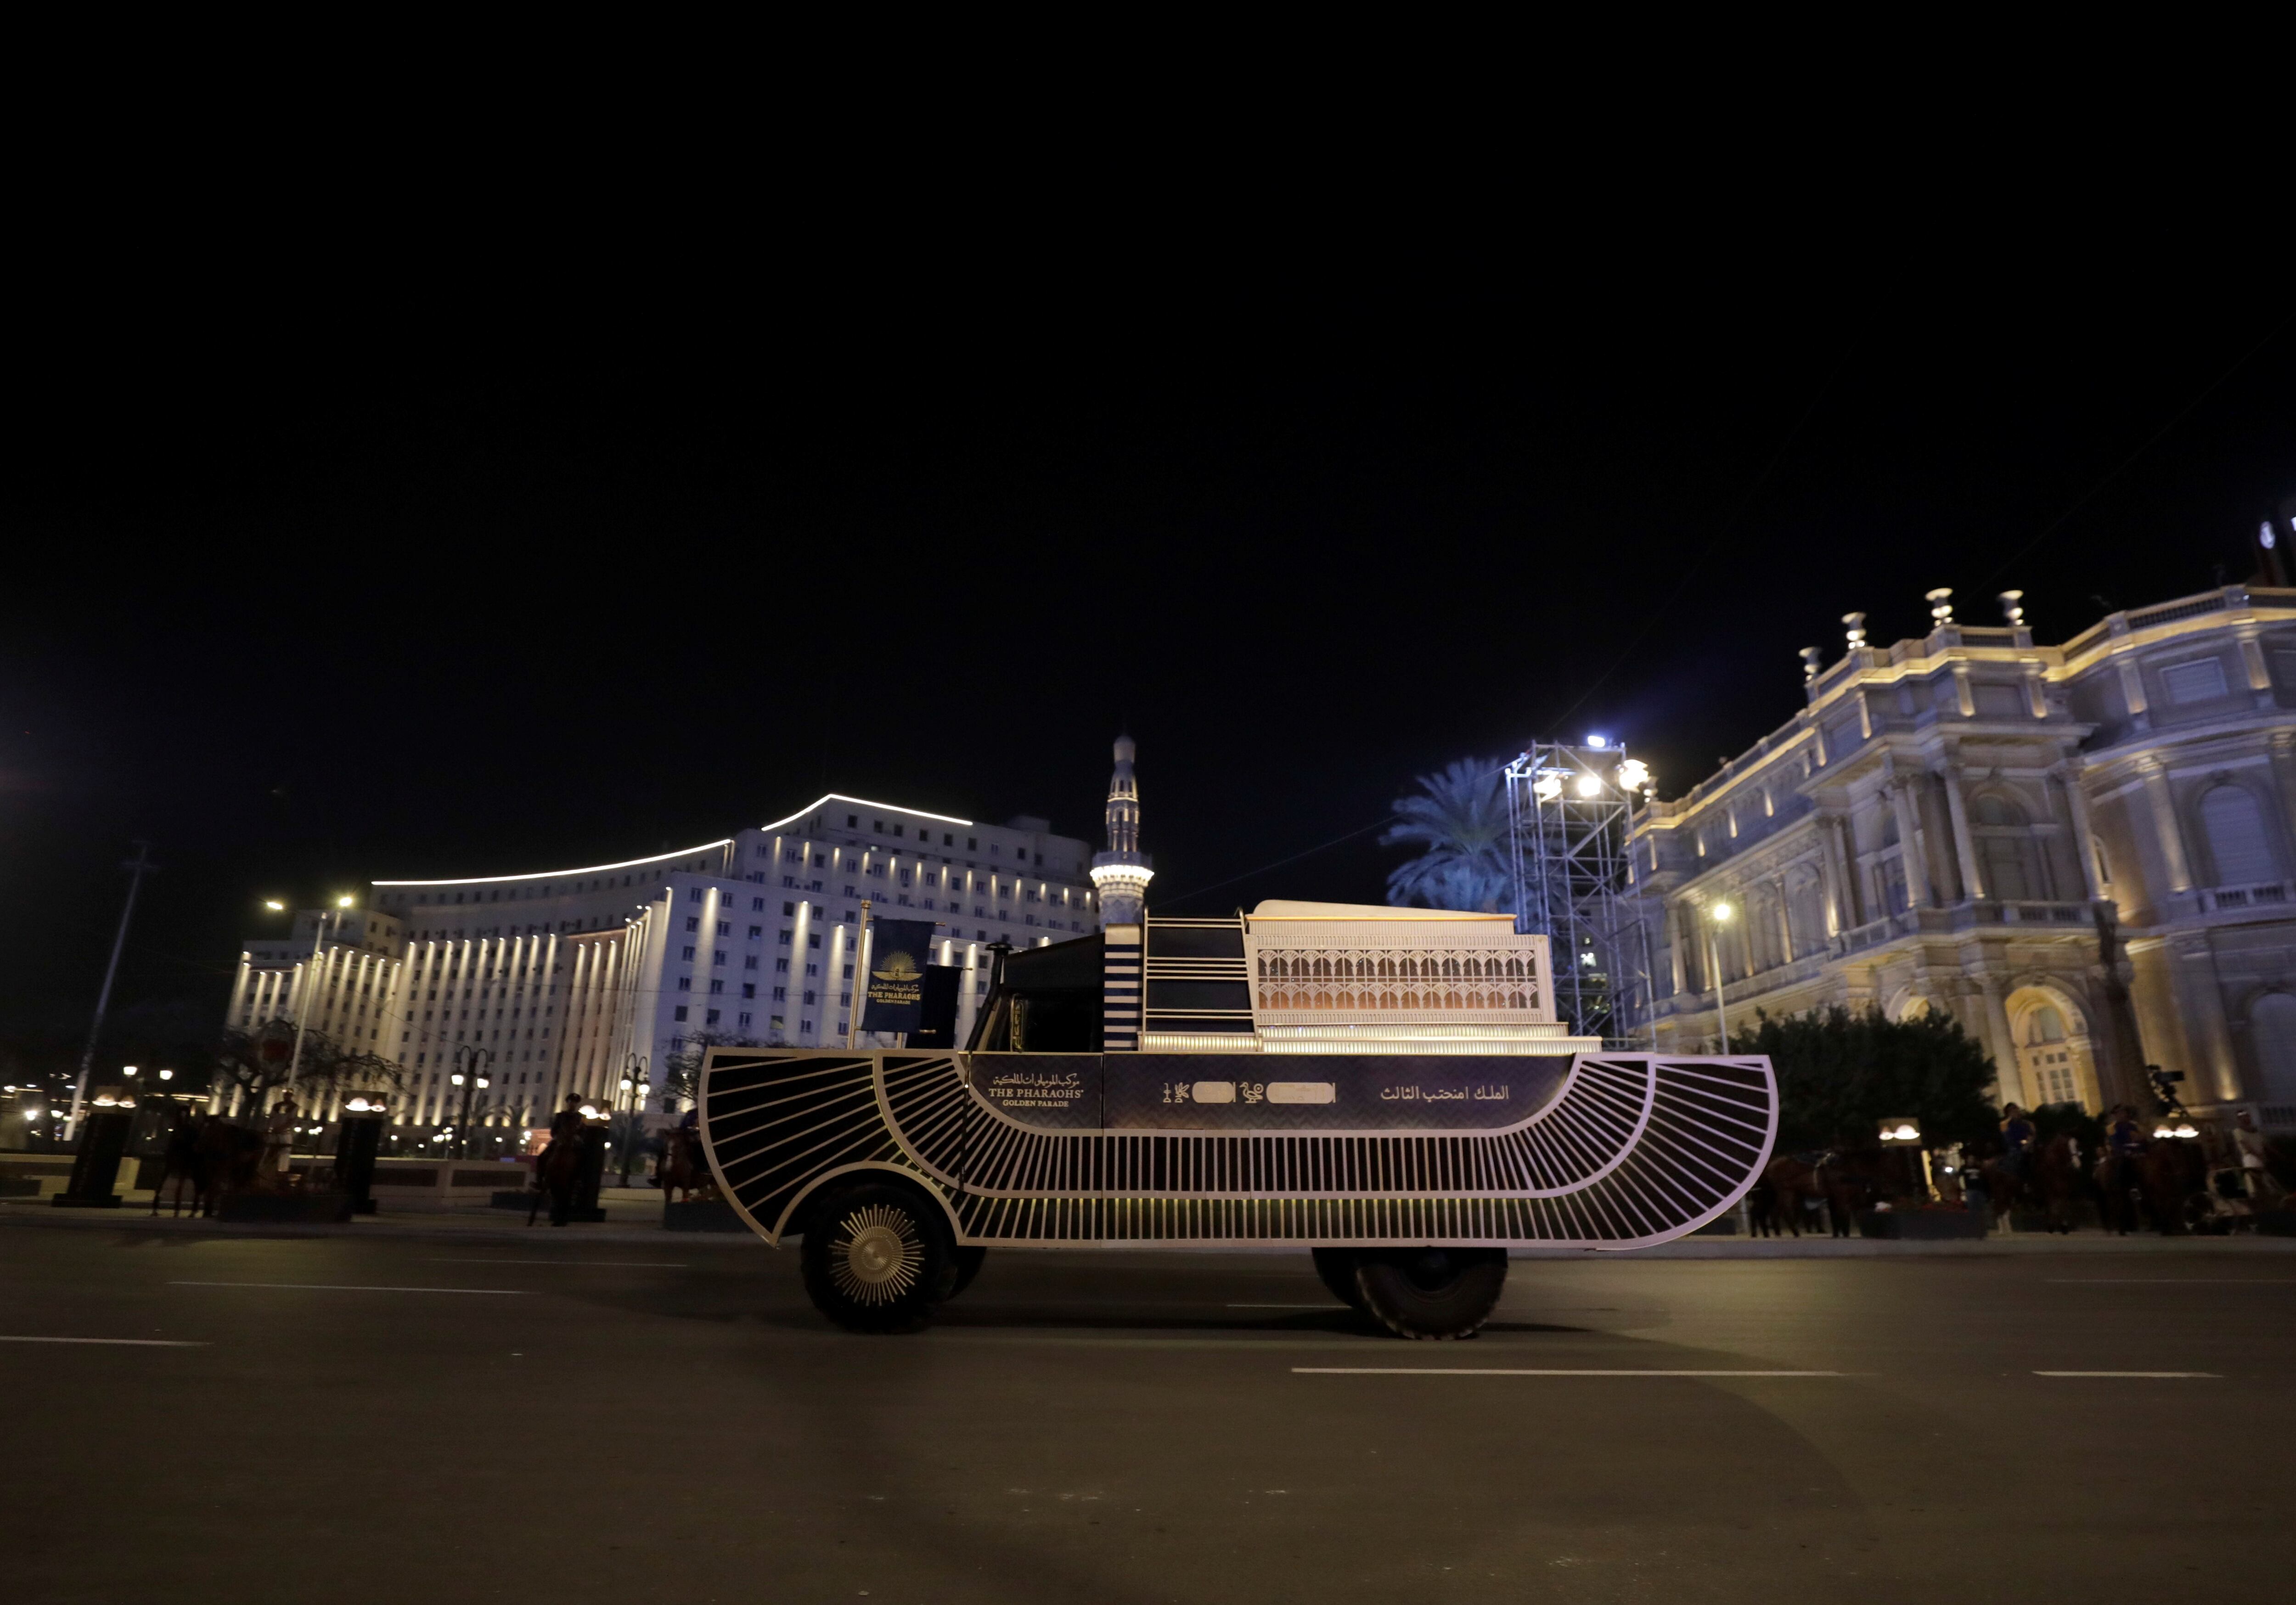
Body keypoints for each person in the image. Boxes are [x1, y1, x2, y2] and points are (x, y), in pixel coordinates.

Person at [2234, 1109, 2284, 1208]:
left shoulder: (2256, 1131)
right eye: (2244, 1117)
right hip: (2251, 1158)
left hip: (2260, 1157)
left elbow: (2265, 1144)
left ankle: (2269, 1197)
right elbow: (2246, 1145)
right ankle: (2255, 1196)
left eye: (2248, 1116)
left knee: (2264, 1178)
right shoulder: (2238, 1132)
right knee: (2254, 1177)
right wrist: (2258, 1155)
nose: (2247, 1119)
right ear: (2240, 1119)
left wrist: (2278, 1154)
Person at [1999, 1104, 2036, 1181]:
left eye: (2016, 1109)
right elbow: (2008, 1139)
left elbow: (2032, 1135)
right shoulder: (2005, 1125)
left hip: (2030, 1146)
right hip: (2016, 1149)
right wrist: (2022, 1145)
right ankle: (2025, 1182)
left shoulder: (2027, 1124)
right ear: (2008, 1114)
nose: (2016, 1112)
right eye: (2012, 1110)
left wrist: (2030, 1142)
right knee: (2020, 1160)